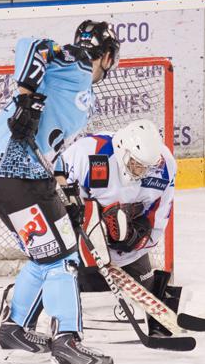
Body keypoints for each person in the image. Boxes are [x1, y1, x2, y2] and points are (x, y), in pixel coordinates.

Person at [0, 20, 120, 364]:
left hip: (17, 177)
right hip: (15, 175)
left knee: (47, 254)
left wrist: (61, 185)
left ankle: (14, 333)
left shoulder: (79, 87)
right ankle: (68, 346)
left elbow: (50, 141)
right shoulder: (77, 61)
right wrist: (26, 96)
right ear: (107, 56)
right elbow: (32, 44)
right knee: (62, 259)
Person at [56, 119, 180, 337]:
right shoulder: (90, 152)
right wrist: (77, 216)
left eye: (147, 167)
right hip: (82, 241)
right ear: (122, 150)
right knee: (88, 298)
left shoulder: (164, 167)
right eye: (136, 163)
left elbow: (158, 217)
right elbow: (53, 182)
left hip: (125, 245)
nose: (142, 171)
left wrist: (137, 239)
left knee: (144, 302)